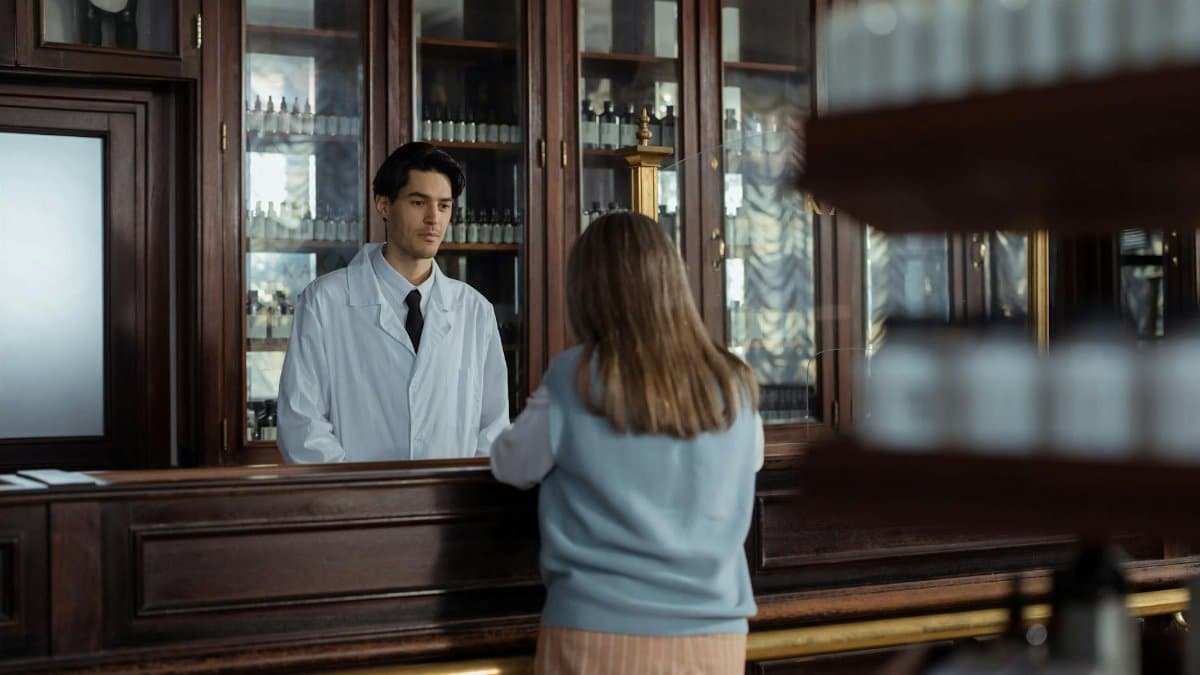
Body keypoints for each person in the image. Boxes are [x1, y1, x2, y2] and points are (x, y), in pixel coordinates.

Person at [490, 212, 764, 674]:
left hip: (597, 634)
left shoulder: (572, 374)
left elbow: (509, 465)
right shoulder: (734, 381)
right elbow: (749, 462)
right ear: (673, 281)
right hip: (713, 640)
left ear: (586, 292)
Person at [277, 142, 508, 463]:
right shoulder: (325, 301)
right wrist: (364, 500)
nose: (433, 219)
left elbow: (493, 428)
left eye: (444, 206)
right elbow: (301, 426)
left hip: (453, 504)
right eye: (418, 202)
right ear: (383, 205)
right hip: (356, 507)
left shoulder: (474, 309)